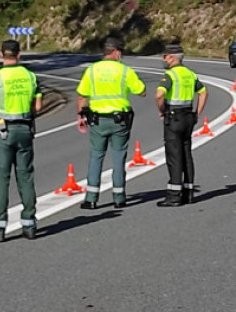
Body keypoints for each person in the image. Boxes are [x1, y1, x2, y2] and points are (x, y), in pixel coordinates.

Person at [0, 40, 42, 242]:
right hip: (25, 129)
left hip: (3, 132)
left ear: (1, 55)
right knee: (26, 177)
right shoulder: (30, 77)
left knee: (1, 180)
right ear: (19, 55)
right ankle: (30, 225)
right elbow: (38, 107)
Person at [76, 37, 146, 210]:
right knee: (118, 157)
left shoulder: (92, 71)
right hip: (119, 121)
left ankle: (91, 198)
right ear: (115, 52)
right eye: (120, 51)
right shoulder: (124, 71)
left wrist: (81, 117)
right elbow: (142, 91)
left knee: (96, 157)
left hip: (98, 121)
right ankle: (119, 197)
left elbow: (81, 96)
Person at [155, 44, 208, 207]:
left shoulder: (170, 75)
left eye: (164, 56)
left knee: (174, 156)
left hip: (174, 117)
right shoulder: (190, 74)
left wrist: (162, 109)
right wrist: (197, 113)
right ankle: (188, 192)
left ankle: (174, 195)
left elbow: (159, 94)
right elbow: (203, 92)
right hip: (188, 116)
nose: (163, 60)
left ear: (171, 57)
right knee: (186, 154)